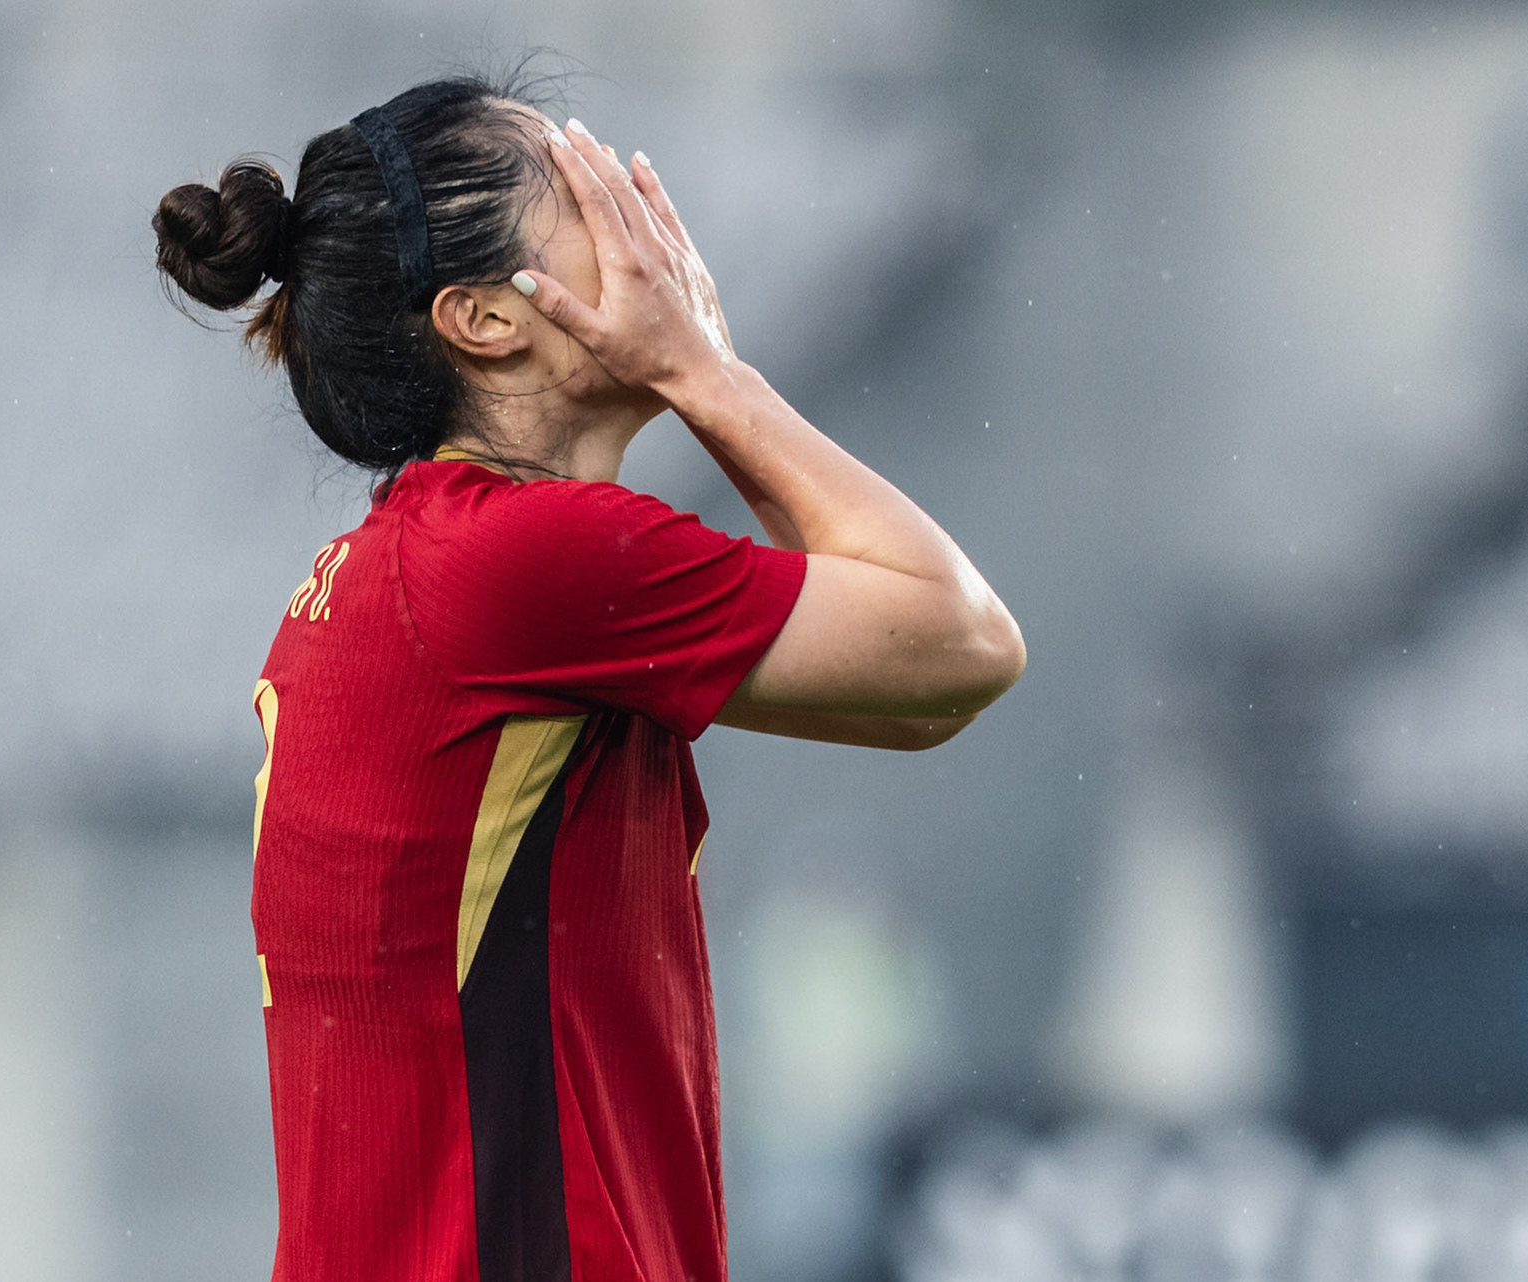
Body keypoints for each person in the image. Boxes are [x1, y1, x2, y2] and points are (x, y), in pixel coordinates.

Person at [153, 74, 1023, 1282]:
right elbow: (961, 642)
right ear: (485, 320)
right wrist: (711, 376)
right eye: (582, 192)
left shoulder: (429, 561)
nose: (645, 227)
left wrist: (709, 383)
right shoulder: (516, 561)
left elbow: (913, 693)